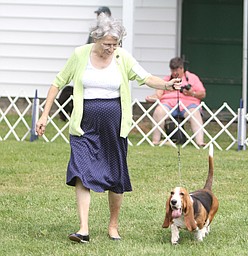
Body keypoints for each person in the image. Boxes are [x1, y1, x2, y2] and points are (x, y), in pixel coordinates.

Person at [36, 14, 181, 243]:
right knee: (80, 171)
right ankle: (83, 229)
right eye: (107, 44)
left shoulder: (122, 57)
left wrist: (167, 84)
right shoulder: (80, 55)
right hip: (84, 125)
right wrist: (44, 114)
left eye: (115, 44)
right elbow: (58, 82)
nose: (112, 49)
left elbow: (145, 77)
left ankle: (113, 225)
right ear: (96, 38)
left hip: (114, 124)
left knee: (116, 176)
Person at [148, 57, 206, 147]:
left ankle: (200, 142)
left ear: (182, 68)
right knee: (159, 111)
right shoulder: (166, 80)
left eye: (177, 70)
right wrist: (151, 98)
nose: (174, 73)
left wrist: (192, 93)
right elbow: (158, 94)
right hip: (168, 104)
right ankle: (156, 140)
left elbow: (202, 94)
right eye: (172, 70)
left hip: (189, 104)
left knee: (195, 113)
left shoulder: (192, 78)